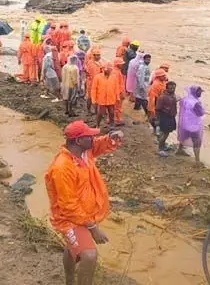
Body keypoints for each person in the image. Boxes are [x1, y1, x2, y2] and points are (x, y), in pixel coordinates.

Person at [45, 121, 124, 285]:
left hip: (82, 214)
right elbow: (68, 206)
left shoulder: (83, 152)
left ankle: (69, 282)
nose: (93, 138)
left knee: (73, 248)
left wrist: (110, 138)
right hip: (68, 218)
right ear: (79, 141)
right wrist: (93, 228)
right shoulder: (62, 168)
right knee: (89, 255)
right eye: (89, 136)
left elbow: (97, 145)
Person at [177, 86, 205, 165]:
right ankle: (197, 161)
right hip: (193, 125)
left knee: (184, 136)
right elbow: (201, 113)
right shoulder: (196, 102)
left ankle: (179, 150)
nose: (200, 93)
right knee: (197, 142)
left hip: (184, 123)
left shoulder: (185, 99)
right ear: (195, 92)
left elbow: (180, 105)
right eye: (199, 92)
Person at [91, 62, 119, 129]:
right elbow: (93, 89)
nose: (108, 71)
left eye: (109, 69)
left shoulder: (114, 77)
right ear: (103, 69)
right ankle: (97, 125)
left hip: (111, 98)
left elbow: (116, 88)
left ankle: (112, 125)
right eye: (106, 69)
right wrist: (94, 100)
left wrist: (117, 97)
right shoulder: (97, 77)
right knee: (100, 113)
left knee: (111, 113)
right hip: (101, 99)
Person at [156, 81, 178, 157]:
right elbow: (158, 109)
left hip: (171, 116)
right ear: (167, 88)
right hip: (165, 117)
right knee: (165, 133)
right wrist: (158, 120)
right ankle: (160, 149)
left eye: (174, 88)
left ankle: (163, 146)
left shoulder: (173, 95)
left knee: (166, 133)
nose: (172, 89)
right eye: (171, 88)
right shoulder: (162, 97)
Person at [85, 48, 103, 114]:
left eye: (99, 55)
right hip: (92, 83)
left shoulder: (97, 62)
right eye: (97, 55)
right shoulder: (91, 64)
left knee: (95, 98)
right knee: (91, 98)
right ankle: (90, 111)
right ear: (93, 55)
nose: (99, 56)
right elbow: (94, 76)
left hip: (94, 82)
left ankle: (94, 111)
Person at [112, 58, 126, 127]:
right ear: (118, 65)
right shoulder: (116, 72)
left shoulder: (115, 71)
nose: (122, 65)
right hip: (118, 93)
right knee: (117, 107)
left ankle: (112, 119)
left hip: (116, 93)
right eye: (121, 64)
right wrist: (120, 94)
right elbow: (117, 84)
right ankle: (117, 120)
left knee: (114, 107)